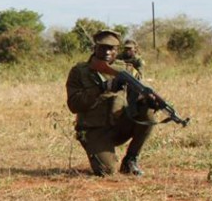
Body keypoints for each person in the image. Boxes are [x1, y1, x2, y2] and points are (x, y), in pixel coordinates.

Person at [66, 29, 154, 176]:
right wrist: (102, 88)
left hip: (120, 125)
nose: (107, 52)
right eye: (103, 47)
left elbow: (139, 93)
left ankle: (130, 161)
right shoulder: (80, 71)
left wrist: (147, 100)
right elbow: (74, 105)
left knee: (148, 113)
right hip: (94, 130)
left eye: (111, 48)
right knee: (107, 172)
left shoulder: (127, 70)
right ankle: (103, 155)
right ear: (95, 48)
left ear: (116, 50)